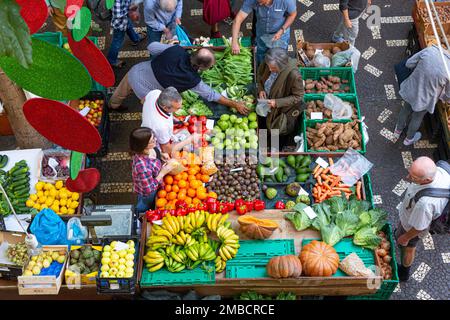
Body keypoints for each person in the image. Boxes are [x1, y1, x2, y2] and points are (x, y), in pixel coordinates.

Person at [109, 42, 249, 114]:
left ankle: (113, 106)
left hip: (136, 71)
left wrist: (173, 46)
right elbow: (211, 95)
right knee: (152, 108)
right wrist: (235, 104)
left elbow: (151, 47)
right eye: (210, 67)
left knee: (121, 91)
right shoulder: (192, 79)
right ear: (201, 67)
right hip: (145, 90)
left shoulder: (177, 50)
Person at [395, 157, 450, 281]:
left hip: (413, 226)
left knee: (409, 247)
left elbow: (419, 228)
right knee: (402, 234)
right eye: (410, 172)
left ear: (428, 180)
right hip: (412, 215)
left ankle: (404, 272)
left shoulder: (425, 204)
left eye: (414, 177)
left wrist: (406, 237)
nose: (408, 177)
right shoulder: (441, 169)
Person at [394, 45, 450, 145]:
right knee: (417, 117)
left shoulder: (430, 50)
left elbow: (409, 64)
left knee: (405, 109)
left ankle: (397, 130)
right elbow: (448, 95)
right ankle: (408, 139)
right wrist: (443, 97)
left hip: (412, 88)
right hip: (426, 98)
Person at [256, 48, 304, 149]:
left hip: (280, 111)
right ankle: (264, 147)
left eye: (273, 69)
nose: (270, 70)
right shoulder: (267, 63)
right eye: (269, 67)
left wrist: (276, 102)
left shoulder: (293, 75)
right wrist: (261, 89)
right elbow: (259, 76)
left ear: (282, 67)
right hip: (266, 104)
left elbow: (298, 96)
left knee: (277, 133)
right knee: (263, 125)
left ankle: (275, 151)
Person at [231, 0, 297, 65]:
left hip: (280, 34)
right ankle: (261, 68)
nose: (259, 4)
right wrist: (234, 41)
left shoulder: (286, 1)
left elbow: (292, 15)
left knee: (278, 58)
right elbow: (238, 19)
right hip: (261, 32)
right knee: (261, 54)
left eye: (261, 1)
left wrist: (282, 30)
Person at [141, 87, 200, 154]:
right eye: (177, 108)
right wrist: (189, 140)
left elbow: (143, 100)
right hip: (153, 141)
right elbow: (166, 150)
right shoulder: (161, 126)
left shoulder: (155, 93)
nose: (180, 108)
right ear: (165, 108)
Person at [130, 127, 176, 213]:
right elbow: (149, 189)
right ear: (144, 145)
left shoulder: (151, 148)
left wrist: (161, 155)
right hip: (148, 191)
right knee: (145, 204)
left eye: (154, 137)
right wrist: (162, 173)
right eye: (152, 140)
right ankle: (138, 214)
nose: (155, 140)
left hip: (156, 183)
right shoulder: (142, 167)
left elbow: (156, 151)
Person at [107, 0, 146, 68]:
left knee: (129, 26)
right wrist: (130, 10)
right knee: (117, 42)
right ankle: (111, 60)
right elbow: (117, 14)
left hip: (125, 18)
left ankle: (136, 39)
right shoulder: (117, 1)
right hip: (119, 24)